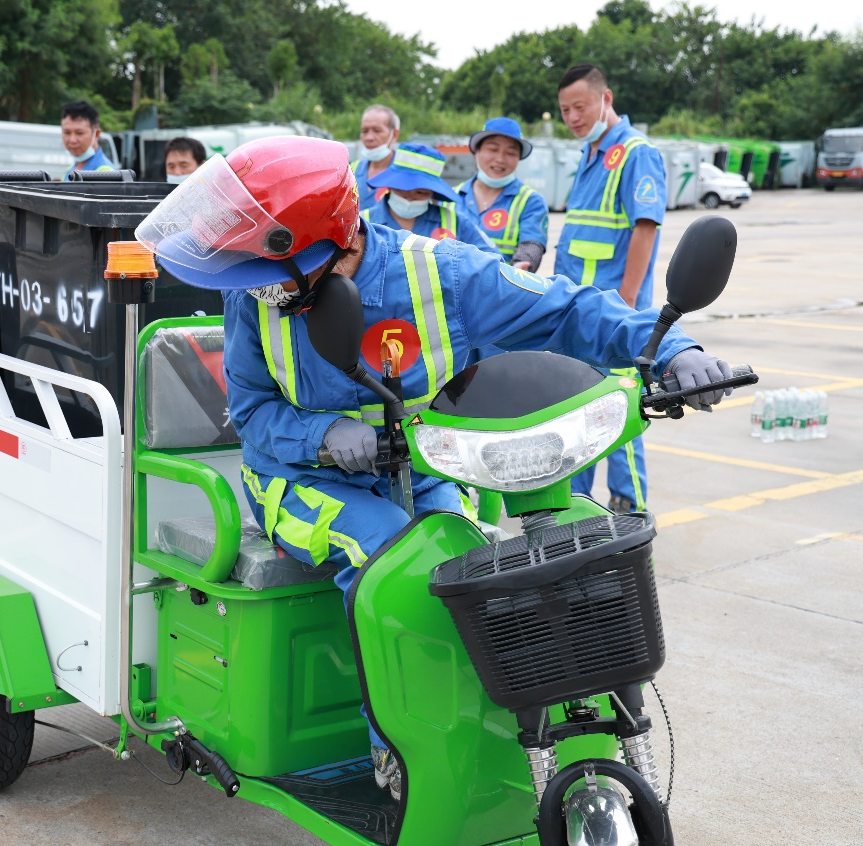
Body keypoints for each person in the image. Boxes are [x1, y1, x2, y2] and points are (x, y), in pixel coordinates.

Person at [137, 136, 732, 802]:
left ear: (336, 244)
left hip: (422, 467)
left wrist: (674, 347)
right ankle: (397, 755)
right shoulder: (259, 297)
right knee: (394, 563)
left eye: (270, 273)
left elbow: (564, 309)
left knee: (475, 566)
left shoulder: (441, 272)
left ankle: (494, 730)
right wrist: (326, 433)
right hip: (296, 478)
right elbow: (251, 413)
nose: (259, 287)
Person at [554, 63, 668, 514]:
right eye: (564, 110)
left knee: (617, 414)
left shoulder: (635, 151)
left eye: (579, 106)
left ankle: (630, 508)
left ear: (606, 98)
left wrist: (625, 302)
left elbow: (645, 229)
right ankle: (578, 507)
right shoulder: (590, 152)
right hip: (579, 309)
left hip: (615, 312)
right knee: (578, 412)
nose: (573, 117)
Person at [361, 143, 500, 256]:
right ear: (389, 186)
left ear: (432, 193)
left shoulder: (455, 221)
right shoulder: (362, 222)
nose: (409, 198)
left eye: (420, 193)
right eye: (402, 189)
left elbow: (491, 260)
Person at [457, 117, 550, 271]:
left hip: (502, 291)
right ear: (476, 152)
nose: (500, 159)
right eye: (492, 149)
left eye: (511, 153)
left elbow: (532, 244)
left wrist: (522, 265)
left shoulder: (531, 201)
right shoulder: (450, 197)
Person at [351, 105, 400, 210]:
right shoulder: (352, 170)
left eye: (377, 131)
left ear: (394, 134)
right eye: (364, 131)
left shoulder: (404, 172)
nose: (369, 137)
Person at [60, 100, 116, 178]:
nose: (72, 140)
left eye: (79, 133)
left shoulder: (105, 174)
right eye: (67, 133)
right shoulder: (70, 170)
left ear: (96, 134)